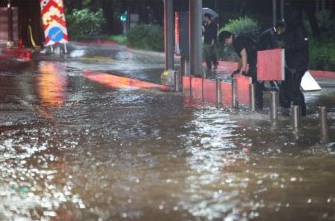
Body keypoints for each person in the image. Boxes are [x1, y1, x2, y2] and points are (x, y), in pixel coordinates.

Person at [218, 31, 264, 110]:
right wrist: (238, 69)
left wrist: (243, 70)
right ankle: (256, 105)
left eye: (225, 42)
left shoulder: (237, 40)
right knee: (253, 81)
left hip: (260, 59)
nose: (226, 44)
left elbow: (244, 54)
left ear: (226, 39)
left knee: (254, 82)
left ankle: (259, 107)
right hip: (256, 60)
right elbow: (240, 57)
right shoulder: (236, 39)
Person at [279, 6, 308, 116]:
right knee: (287, 87)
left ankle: (301, 113)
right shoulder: (291, 29)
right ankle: (293, 110)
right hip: (291, 63)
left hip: (299, 63)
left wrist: (286, 49)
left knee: (295, 88)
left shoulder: (299, 29)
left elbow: (300, 45)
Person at [258, 21, 286, 91]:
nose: (282, 32)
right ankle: (271, 84)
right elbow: (274, 46)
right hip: (263, 53)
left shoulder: (272, 32)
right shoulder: (271, 33)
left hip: (265, 52)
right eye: (282, 30)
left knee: (267, 70)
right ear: (279, 27)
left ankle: (272, 83)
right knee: (267, 70)